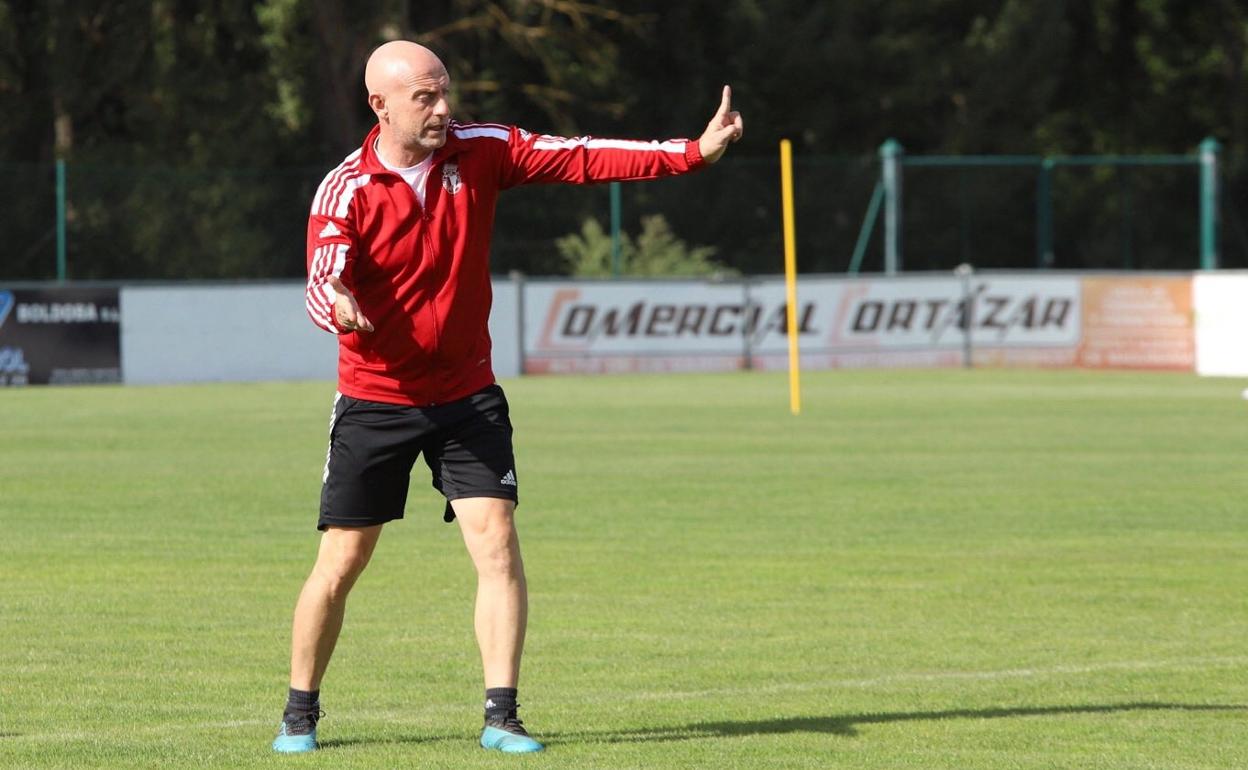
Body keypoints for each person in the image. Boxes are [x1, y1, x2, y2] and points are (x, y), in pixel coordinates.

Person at [272, 40, 743, 755]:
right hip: (377, 399)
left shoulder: (484, 150)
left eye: (444, 92)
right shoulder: (348, 188)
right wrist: (334, 301)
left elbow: (582, 155)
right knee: (343, 561)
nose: (441, 109)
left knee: (496, 543)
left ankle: (502, 716)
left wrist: (690, 153)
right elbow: (323, 272)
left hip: (467, 393)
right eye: (423, 98)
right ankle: (300, 715)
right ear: (380, 105)